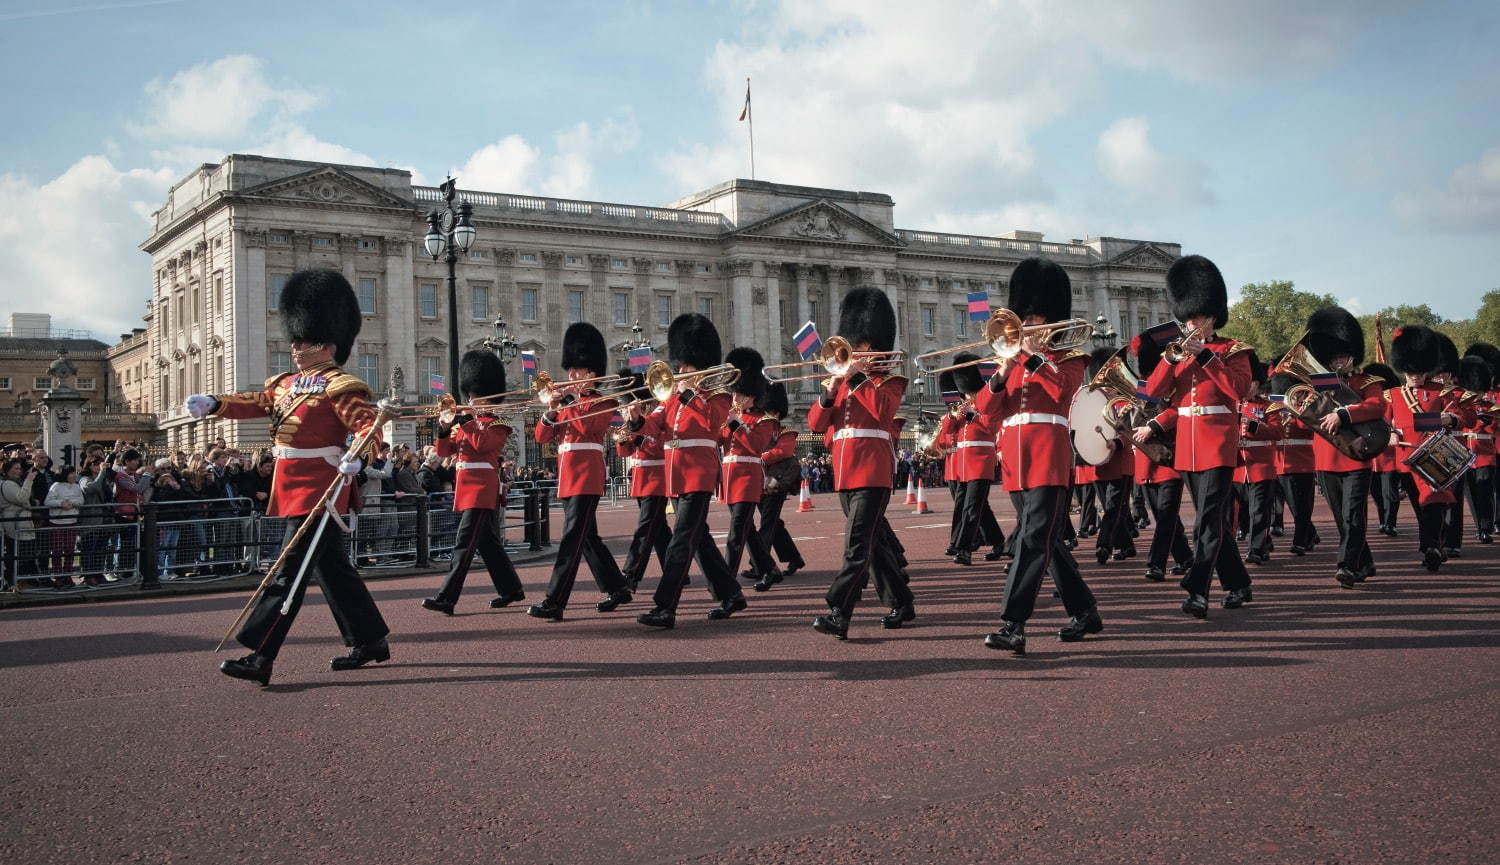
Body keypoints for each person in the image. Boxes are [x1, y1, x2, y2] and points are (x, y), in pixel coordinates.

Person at [188, 268, 390, 686]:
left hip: (321, 491)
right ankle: (369, 640)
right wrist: (215, 403)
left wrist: (357, 459)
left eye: (305, 340)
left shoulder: (341, 386)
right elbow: (257, 401)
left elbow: (369, 430)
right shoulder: (287, 384)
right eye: (295, 339)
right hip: (291, 487)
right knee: (333, 570)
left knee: (288, 573)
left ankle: (260, 655)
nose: (295, 347)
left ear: (328, 343)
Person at [973, 259, 1099, 653]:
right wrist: (1000, 373)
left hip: (1048, 457)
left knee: (1031, 540)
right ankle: (1085, 611)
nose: (1028, 326)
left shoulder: (1070, 357)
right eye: (1024, 318)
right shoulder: (1009, 365)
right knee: (1047, 542)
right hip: (1014, 461)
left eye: (1037, 318)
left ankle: (1014, 623)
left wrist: (1030, 357)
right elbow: (986, 412)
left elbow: (1063, 392)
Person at [1142, 254, 1253, 618]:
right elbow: (1155, 392)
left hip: (1218, 444)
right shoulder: (1177, 354)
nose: (1193, 323)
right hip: (1187, 447)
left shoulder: (1233, 351)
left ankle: (1199, 588)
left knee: (1206, 521)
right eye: (1188, 316)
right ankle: (1238, 584)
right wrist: (1170, 361)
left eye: (1199, 316)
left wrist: (1206, 357)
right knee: (1215, 522)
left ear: (1213, 316)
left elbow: (1237, 390)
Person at [627, 313, 749, 628]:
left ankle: (665, 606)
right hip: (675, 474)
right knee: (700, 539)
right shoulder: (671, 399)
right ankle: (731, 594)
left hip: (699, 472)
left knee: (682, 539)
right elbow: (655, 425)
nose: (679, 371)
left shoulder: (718, 394)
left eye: (685, 366)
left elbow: (711, 423)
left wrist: (689, 393)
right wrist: (637, 420)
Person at [807, 286, 915, 640]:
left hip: (873, 471)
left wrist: (856, 377)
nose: (855, 352)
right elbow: (815, 425)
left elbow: (882, 412)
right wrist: (829, 390)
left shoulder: (891, 380)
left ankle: (839, 611)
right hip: (845, 472)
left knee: (856, 547)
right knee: (874, 546)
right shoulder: (841, 383)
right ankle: (901, 600)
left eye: (862, 347)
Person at [528, 322, 633, 620]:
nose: (571, 375)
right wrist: (550, 410)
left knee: (572, 539)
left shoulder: (604, 401)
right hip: (568, 476)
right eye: (571, 369)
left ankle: (555, 600)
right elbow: (542, 437)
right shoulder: (565, 403)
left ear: (592, 372)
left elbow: (588, 427)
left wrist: (569, 402)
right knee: (588, 539)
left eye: (577, 369)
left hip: (587, 476)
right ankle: (618, 587)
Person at [421, 350, 526, 615]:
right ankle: (511, 588)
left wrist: (466, 421)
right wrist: (445, 429)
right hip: (466, 488)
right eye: (469, 396)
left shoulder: (498, 424)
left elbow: (481, 445)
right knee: (488, 544)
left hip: (481, 489)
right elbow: (444, 452)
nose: (469, 401)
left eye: (474, 397)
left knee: (464, 544)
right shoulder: (468, 424)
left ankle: (447, 597)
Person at [1299, 307, 1385, 588]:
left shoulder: (1367, 382)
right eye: (1333, 357)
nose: (1338, 362)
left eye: (1342, 356)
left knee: (1352, 514)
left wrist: (1345, 414)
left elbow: (1376, 406)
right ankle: (1365, 561)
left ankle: (1347, 564)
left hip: (1357, 456)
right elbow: (1310, 422)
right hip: (1327, 457)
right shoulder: (1317, 384)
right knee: (1341, 517)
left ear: (1352, 355)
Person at [1387, 325, 1470, 571]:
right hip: (1407, 458)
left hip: (1436, 457)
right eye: (1410, 371)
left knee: (1433, 503)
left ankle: (1430, 548)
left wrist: (1449, 419)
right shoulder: (1392, 394)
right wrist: (1389, 433)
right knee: (1421, 507)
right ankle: (1434, 544)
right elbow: (1382, 422)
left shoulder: (1441, 392)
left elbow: (1464, 416)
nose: (1414, 375)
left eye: (1419, 371)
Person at [1129, 336, 1193, 582]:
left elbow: (1179, 410)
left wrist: (1153, 425)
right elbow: (1133, 423)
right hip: (1147, 459)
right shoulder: (1141, 388)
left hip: (1170, 457)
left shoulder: (1175, 384)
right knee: (1165, 517)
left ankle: (1156, 563)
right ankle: (1185, 558)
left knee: (1166, 516)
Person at [718, 347, 780, 583]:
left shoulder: (763, 420)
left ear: (753, 395)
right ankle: (770, 569)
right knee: (748, 531)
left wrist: (736, 425)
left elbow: (756, 446)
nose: (735, 399)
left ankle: (726, 581)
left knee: (736, 533)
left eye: (740, 395)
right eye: (734, 394)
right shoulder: (732, 415)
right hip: (729, 479)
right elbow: (718, 440)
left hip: (747, 479)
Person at [745, 381, 805, 590]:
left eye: (770, 410)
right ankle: (794, 557)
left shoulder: (785, 431)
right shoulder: (761, 427)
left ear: (777, 412)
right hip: (759, 481)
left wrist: (760, 457)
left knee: (767, 525)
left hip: (776, 482)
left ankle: (758, 565)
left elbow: (784, 452)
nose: (766, 413)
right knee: (774, 524)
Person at [615, 369, 670, 590]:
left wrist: (640, 436)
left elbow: (661, 445)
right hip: (640, 479)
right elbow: (625, 453)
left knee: (645, 529)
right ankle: (676, 571)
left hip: (656, 479)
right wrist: (622, 440)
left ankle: (631, 575)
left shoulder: (659, 413)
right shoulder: (635, 416)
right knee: (660, 530)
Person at [947, 354, 1002, 566]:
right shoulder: (965, 404)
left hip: (981, 461)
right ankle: (999, 542)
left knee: (972, 507)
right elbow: (948, 431)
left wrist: (973, 415)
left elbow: (992, 426)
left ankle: (963, 549)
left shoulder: (988, 400)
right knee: (976, 507)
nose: (967, 393)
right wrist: (954, 417)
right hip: (963, 464)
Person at [1236, 352, 1279, 566]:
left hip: (1260, 464)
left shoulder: (1268, 406)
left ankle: (1256, 549)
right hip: (1236, 467)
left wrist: (1254, 426)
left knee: (1259, 511)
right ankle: (1263, 541)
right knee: (1241, 512)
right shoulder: (1230, 404)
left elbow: (1277, 431)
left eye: (1252, 382)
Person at [1459, 343, 1499, 543]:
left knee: (1484, 491)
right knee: (1471, 493)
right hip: (1465, 453)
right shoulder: (1462, 406)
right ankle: (1479, 526)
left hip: (1484, 454)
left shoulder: (1492, 408)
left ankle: (1486, 527)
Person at [1362, 363, 1404, 537]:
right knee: (1376, 491)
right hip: (1372, 453)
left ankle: (1390, 522)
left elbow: (1397, 420)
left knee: (1390, 491)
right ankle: (1383, 519)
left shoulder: (1392, 398)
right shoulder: (1366, 399)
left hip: (1389, 454)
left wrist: (1393, 431)